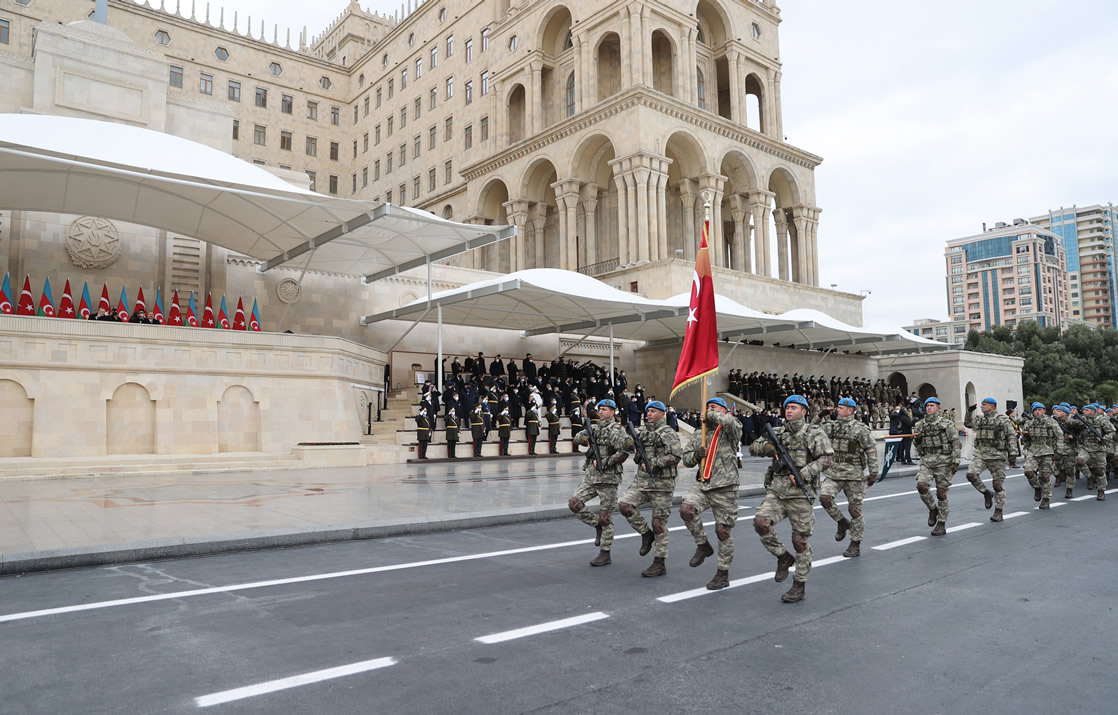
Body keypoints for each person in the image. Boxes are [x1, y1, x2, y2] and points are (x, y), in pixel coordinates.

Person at [749, 395, 834, 603]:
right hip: (777, 492)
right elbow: (753, 448)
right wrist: (768, 448)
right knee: (761, 522)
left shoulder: (814, 433)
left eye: (794, 408)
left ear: (804, 412)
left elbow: (826, 459)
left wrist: (804, 473)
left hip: (800, 495)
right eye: (787, 408)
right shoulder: (778, 432)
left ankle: (799, 584)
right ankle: (782, 556)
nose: (788, 411)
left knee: (801, 541)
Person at [679, 397, 743, 591]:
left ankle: (722, 574)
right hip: (704, 484)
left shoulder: (730, 429)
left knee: (723, 531)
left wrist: (712, 414)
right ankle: (703, 545)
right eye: (706, 408)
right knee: (686, 509)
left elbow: (732, 423)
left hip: (725, 486)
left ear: (723, 411)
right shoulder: (700, 433)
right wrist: (698, 454)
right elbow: (687, 460)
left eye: (713, 408)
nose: (708, 411)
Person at [618, 401, 682, 578]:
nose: (649, 414)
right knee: (625, 505)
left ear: (662, 414)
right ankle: (646, 534)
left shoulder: (668, 433)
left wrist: (655, 463)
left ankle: (659, 562)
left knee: (659, 524)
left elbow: (676, 456)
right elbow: (626, 446)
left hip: (662, 485)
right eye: (647, 412)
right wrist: (628, 441)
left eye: (653, 411)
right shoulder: (642, 432)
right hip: (642, 482)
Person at [570, 399, 632, 566]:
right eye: (600, 409)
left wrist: (606, 462)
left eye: (605, 409)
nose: (601, 412)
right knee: (574, 503)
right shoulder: (594, 428)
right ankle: (596, 524)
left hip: (608, 479)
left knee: (606, 517)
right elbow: (577, 439)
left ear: (613, 412)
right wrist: (583, 436)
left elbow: (624, 453)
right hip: (591, 477)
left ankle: (605, 552)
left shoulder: (618, 430)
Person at [817, 398, 879, 557]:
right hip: (834, 473)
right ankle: (842, 522)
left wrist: (873, 473)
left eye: (841, 407)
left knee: (855, 510)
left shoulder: (860, 429)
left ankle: (855, 543)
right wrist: (819, 416)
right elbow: (812, 431)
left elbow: (871, 451)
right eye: (837, 407)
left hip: (854, 475)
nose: (837, 410)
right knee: (825, 498)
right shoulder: (831, 426)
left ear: (850, 410)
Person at [912, 397, 961, 535]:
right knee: (921, 486)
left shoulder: (947, 424)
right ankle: (933, 509)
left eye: (932, 405)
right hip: (927, 460)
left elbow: (955, 442)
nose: (929, 408)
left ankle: (941, 523)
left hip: (943, 461)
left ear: (938, 408)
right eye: (927, 406)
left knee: (941, 493)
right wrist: (917, 439)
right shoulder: (920, 424)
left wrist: (955, 461)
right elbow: (916, 443)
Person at [964, 398, 1010, 521]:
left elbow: (1011, 436)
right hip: (981, 454)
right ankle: (986, 493)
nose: (981, 407)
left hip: (997, 455)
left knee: (998, 484)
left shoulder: (1002, 419)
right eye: (982, 405)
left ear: (992, 406)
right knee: (971, 475)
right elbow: (967, 424)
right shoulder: (980, 419)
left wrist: (1013, 455)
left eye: (984, 405)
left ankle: (998, 511)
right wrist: (969, 411)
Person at [1069, 403, 1113, 500]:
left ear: (1093, 411)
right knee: (1079, 461)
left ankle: (1101, 491)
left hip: (1099, 449)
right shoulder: (1082, 420)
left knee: (1100, 471)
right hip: (1086, 448)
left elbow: (1111, 432)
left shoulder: (1102, 420)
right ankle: (1089, 477)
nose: (1084, 412)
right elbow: (1069, 422)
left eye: (1086, 410)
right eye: (1083, 410)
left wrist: (1104, 438)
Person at [1020, 402, 1058, 509]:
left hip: (1047, 450)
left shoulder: (1051, 422)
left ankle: (1046, 499)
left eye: (1040, 409)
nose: (1038, 411)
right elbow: (1026, 437)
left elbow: (1059, 436)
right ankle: (1037, 487)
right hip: (1033, 450)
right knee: (1028, 471)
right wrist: (1028, 448)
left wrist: (1058, 452)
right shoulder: (1029, 423)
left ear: (1044, 411)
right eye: (1036, 410)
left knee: (1045, 476)